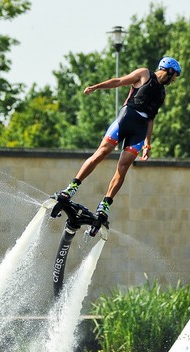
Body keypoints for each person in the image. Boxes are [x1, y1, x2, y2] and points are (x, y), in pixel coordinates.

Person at [52, 56, 182, 228]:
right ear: (170, 70)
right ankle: (72, 187)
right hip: (125, 119)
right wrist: (96, 87)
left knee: (123, 168)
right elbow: (119, 81)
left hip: (140, 131)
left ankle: (104, 205)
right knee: (101, 153)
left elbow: (151, 120)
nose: (174, 80)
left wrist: (147, 144)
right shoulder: (144, 74)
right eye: (175, 76)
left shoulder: (162, 94)